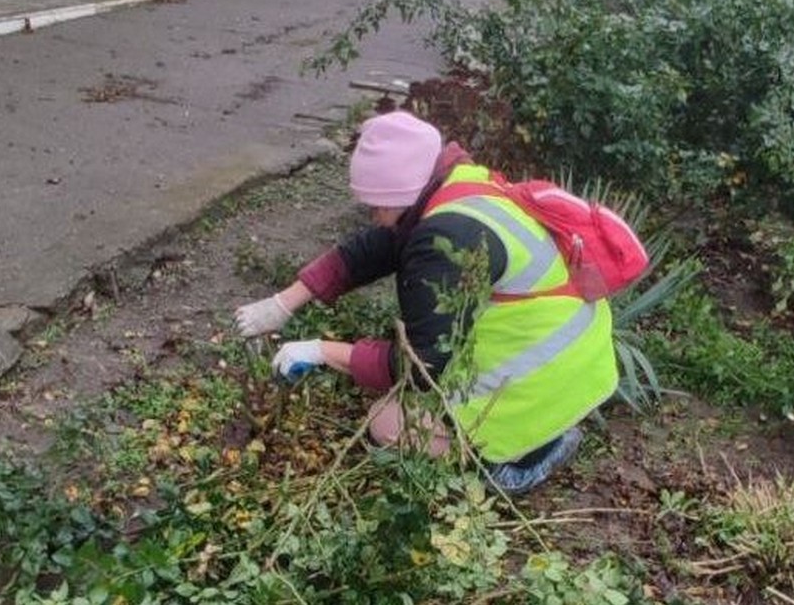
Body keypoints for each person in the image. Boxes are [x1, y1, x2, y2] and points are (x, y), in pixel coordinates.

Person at [234, 111, 618, 494]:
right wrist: (283, 303)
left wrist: (322, 351)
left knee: (386, 423)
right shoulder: (462, 187)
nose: (374, 216)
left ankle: (513, 467)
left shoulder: (443, 243)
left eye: (377, 205)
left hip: (539, 388)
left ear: (402, 194)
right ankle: (547, 433)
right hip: (578, 369)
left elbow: (423, 367)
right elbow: (378, 246)